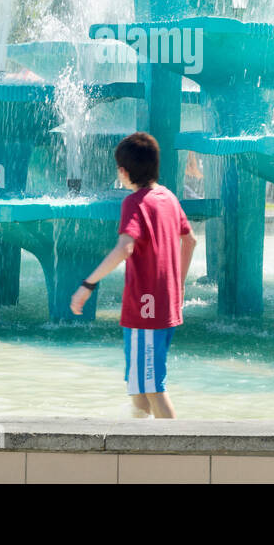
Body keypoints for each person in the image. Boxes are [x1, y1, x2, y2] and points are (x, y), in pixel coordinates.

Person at [70, 132, 197, 419]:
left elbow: (125, 248)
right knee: (138, 386)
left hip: (146, 309)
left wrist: (88, 284)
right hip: (161, 305)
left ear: (124, 172)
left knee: (153, 387)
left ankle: (181, 454)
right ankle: (137, 445)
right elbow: (190, 241)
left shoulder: (134, 203)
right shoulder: (168, 198)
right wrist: (179, 285)